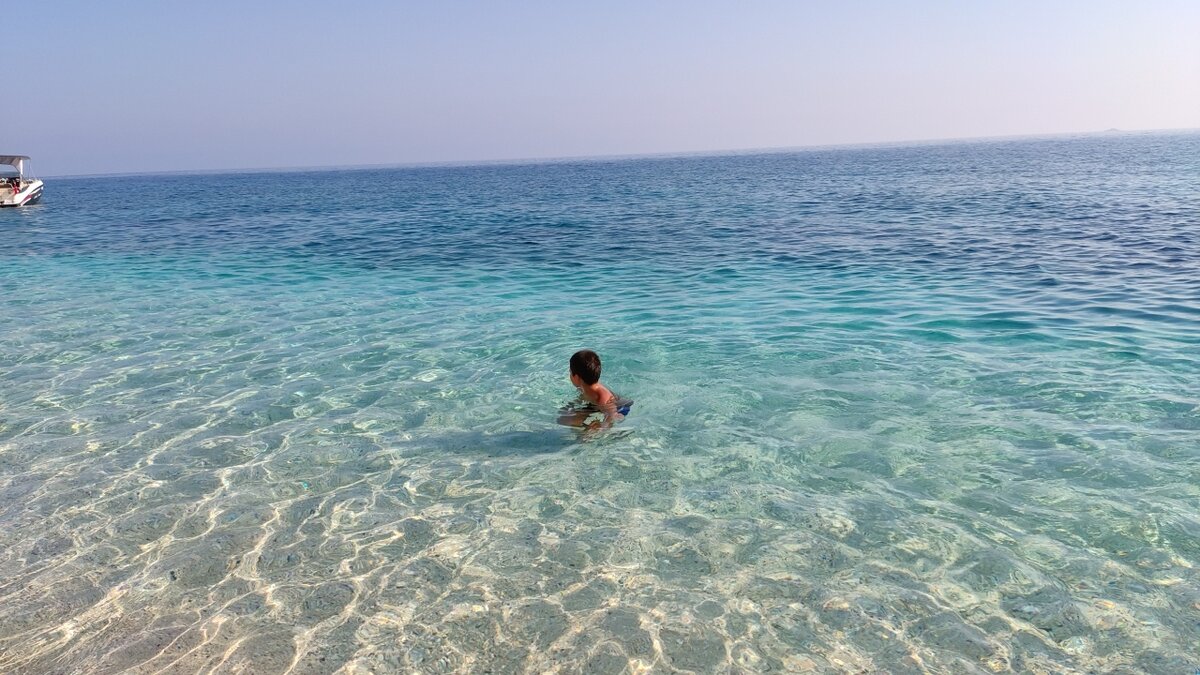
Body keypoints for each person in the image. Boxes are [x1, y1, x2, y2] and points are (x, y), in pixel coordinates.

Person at [557, 349, 631, 429]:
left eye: (570, 372)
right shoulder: (583, 388)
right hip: (596, 407)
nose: (570, 375)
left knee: (569, 421)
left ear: (577, 377)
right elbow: (582, 399)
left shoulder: (602, 396)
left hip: (620, 408)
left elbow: (613, 417)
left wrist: (600, 430)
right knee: (563, 417)